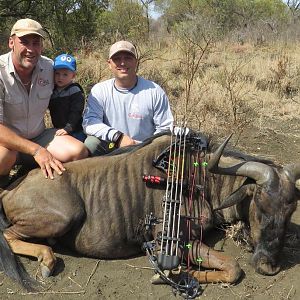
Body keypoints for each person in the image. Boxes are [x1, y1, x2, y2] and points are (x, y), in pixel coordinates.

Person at [0, 18, 89, 188]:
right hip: (8, 143)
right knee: (2, 160)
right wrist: (37, 151)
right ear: (11, 42)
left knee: (79, 152)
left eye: (36, 43)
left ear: (42, 46)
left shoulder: (50, 68)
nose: (31, 49)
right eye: (24, 42)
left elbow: (69, 90)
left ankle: (43, 182)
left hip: (39, 135)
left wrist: (70, 124)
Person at [83, 40, 174, 155]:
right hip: (112, 146)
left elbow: (165, 128)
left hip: (144, 151)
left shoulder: (154, 91)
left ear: (136, 62)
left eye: (128, 58)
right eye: (117, 59)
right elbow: (90, 122)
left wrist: (146, 147)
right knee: (91, 144)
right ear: (109, 64)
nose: (122, 63)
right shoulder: (99, 90)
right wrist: (118, 137)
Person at [49, 53, 86, 142]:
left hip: (76, 130)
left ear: (73, 76)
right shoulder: (52, 90)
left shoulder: (75, 90)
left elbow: (76, 111)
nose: (60, 77)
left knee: (81, 151)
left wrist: (68, 128)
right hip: (58, 129)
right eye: (57, 73)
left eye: (65, 74)